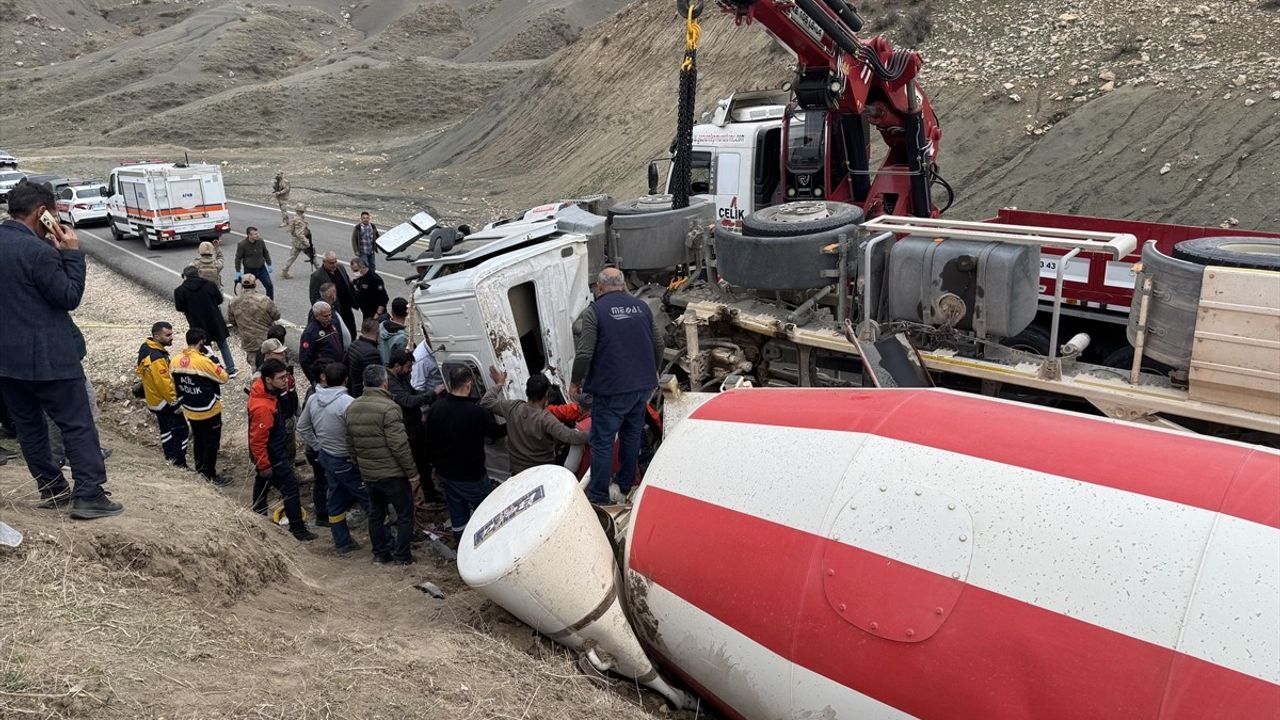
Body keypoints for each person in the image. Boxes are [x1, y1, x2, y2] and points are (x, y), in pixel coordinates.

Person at [0, 181, 121, 519]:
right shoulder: (39, 252)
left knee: (29, 429)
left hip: (6, 361)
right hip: (50, 358)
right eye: (53, 214)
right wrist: (70, 254)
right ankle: (89, 494)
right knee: (77, 423)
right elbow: (68, 296)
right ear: (42, 214)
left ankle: (52, 489)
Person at [571, 267, 664, 505]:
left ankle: (599, 495)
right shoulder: (641, 307)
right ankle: (624, 484)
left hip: (612, 390)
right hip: (642, 388)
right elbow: (658, 342)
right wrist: (653, 369)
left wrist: (575, 382)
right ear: (623, 285)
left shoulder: (595, 312)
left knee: (602, 441)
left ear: (600, 287)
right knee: (631, 435)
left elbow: (583, 353)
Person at [346, 365, 417, 565]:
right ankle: (403, 556)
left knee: (376, 514)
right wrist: (412, 473)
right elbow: (399, 446)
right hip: (392, 475)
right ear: (385, 383)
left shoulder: (352, 407)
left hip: (369, 475)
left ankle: (380, 553)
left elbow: (349, 443)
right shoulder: (390, 408)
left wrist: (359, 464)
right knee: (405, 514)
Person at [297, 362, 370, 553]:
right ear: (346, 380)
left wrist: (318, 446)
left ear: (325, 379)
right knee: (369, 499)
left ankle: (342, 542)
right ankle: (385, 540)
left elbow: (302, 427)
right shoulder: (348, 403)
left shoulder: (313, 399)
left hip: (327, 458)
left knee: (336, 500)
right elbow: (359, 435)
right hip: (345, 459)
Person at [425, 365, 505, 539]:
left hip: (447, 474)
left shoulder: (436, 408)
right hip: (472, 476)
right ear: (469, 384)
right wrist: (516, 420)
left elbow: (429, 441)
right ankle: (492, 545)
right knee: (489, 512)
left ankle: (462, 546)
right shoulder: (475, 412)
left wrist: (435, 468)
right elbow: (495, 433)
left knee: (458, 514)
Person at [248, 358, 317, 541]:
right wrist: (264, 464)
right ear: (268, 380)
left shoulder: (265, 392)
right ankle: (297, 528)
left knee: (263, 479)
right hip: (272, 454)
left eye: (285, 377)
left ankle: (258, 509)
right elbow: (258, 440)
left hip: (271, 452)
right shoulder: (263, 407)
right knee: (290, 486)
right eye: (281, 378)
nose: (285, 381)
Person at [482, 367, 588, 477]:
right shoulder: (545, 419)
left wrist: (499, 383)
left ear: (527, 392)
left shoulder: (512, 407)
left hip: (518, 475)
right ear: (546, 394)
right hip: (541, 475)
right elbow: (571, 436)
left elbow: (486, 401)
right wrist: (598, 434)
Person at [386, 348, 445, 514]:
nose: (410, 370)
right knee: (415, 464)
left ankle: (430, 493)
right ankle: (414, 501)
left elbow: (413, 393)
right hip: (406, 431)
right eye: (408, 366)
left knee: (424, 462)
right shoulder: (390, 383)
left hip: (414, 426)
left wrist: (431, 394)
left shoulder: (401, 378)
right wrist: (432, 393)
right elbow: (408, 401)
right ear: (397, 366)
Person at [171, 327, 230, 485]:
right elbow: (224, 377)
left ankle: (199, 468)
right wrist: (213, 357)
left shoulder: (175, 360)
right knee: (211, 443)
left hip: (190, 409)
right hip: (209, 410)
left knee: (198, 439)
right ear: (202, 342)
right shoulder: (204, 361)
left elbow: (174, 384)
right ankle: (209, 474)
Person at [137, 321, 188, 468]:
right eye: (168, 335)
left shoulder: (146, 347)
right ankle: (179, 463)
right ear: (157, 336)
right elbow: (164, 384)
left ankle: (170, 457)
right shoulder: (157, 358)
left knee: (165, 429)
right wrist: (174, 402)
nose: (172, 338)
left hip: (153, 399)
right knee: (181, 430)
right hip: (163, 401)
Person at [174, 265, 238, 378]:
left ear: (185, 276)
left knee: (205, 347)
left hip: (196, 321)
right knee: (222, 344)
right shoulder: (209, 285)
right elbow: (219, 299)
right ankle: (231, 369)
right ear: (198, 273)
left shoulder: (180, 290)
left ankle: (212, 370)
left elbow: (179, 308)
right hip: (214, 319)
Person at [226, 273, 280, 368]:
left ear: (241, 285)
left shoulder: (233, 302)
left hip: (248, 340)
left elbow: (232, 321)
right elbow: (276, 316)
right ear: (255, 284)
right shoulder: (264, 300)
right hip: (266, 339)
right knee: (272, 366)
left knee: (255, 367)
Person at [309, 251, 356, 336]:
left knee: (352, 332)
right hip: (333, 312)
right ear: (324, 262)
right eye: (331, 263)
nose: (334, 265)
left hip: (347, 309)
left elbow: (348, 284)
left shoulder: (340, 267)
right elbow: (314, 299)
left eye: (335, 261)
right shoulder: (317, 276)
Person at [299, 301, 346, 385]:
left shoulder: (333, 324)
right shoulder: (310, 333)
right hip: (325, 375)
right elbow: (304, 359)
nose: (329, 318)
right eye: (325, 316)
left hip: (338, 370)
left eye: (330, 314)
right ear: (317, 316)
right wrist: (313, 380)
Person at [346, 317, 382, 399]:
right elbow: (374, 378)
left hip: (352, 388)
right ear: (377, 332)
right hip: (363, 394)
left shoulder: (353, 344)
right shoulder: (372, 353)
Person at [234, 226, 274, 300]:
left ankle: (270, 303)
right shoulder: (242, 244)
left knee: (269, 286)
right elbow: (238, 258)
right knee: (246, 290)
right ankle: (246, 303)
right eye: (255, 234)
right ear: (249, 235)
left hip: (261, 269)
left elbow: (265, 253)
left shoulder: (261, 241)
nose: (258, 235)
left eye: (257, 233)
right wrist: (238, 271)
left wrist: (269, 264)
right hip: (249, 271)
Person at [350, 257, 387, 323]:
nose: (355, 273)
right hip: (366, 314)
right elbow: (355, 284)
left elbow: (384, 298)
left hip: (375, 315)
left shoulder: (375, 279)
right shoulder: (361, 277)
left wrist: (377, 315)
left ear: (363, 267)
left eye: (356, 270)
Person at [282, 204, 314, 279]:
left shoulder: (294, 218)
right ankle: (322, 272)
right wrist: (307, 243)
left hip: (295, 241)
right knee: (313, 256)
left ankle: (284, 271)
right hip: (301, 243)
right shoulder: (299, 220)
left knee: (292, 257)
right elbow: (299, 234)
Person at [377, 297, 410, 364]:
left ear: (392, 311)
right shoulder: (403, 338)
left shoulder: (380, 326)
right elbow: (401, 361)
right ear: (407, 314)